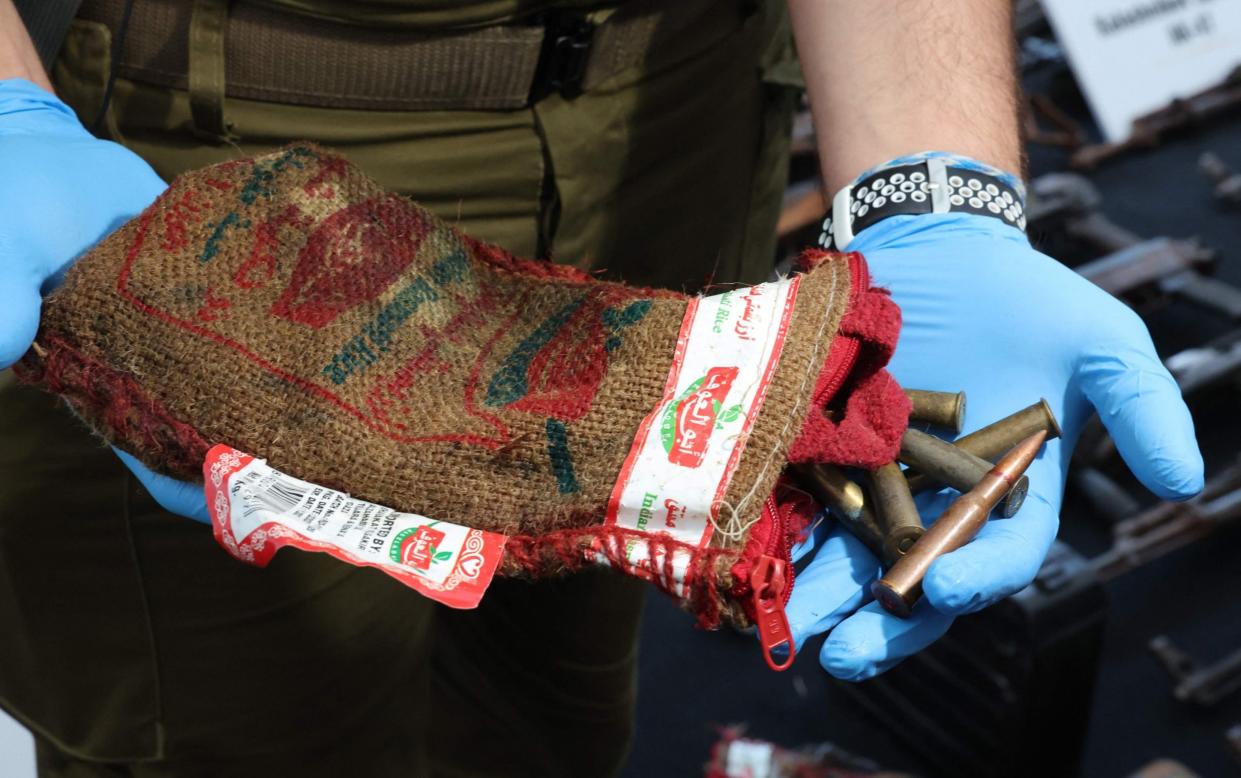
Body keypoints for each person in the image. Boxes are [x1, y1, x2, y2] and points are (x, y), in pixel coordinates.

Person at [0, 1, 1203, 775]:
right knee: (233, 733)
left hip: (679, 98)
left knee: (558, 700)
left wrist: (935, 187)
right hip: (209, 145)